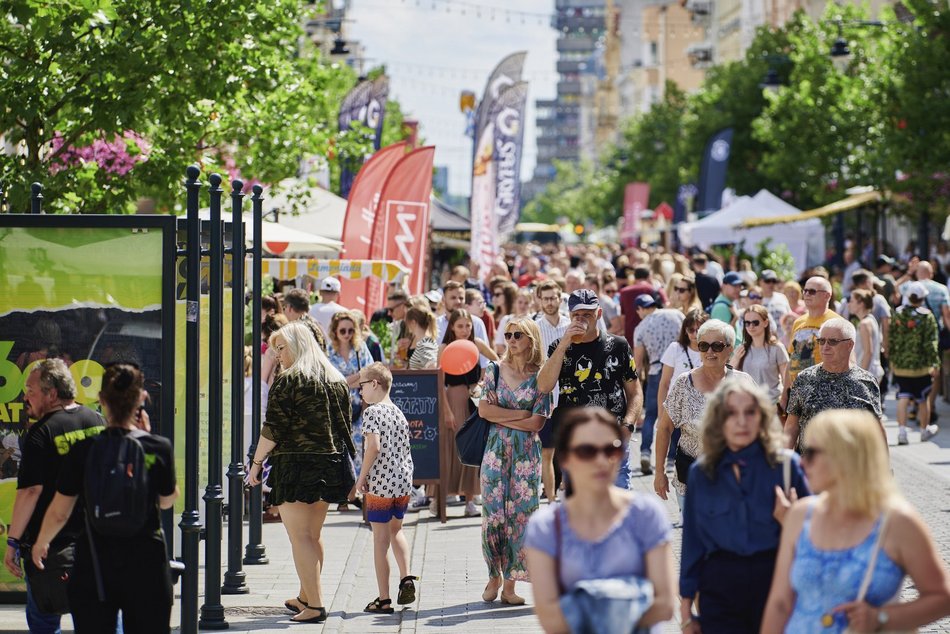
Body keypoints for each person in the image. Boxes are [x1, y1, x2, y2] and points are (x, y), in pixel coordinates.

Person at [761, 409, 950, 632]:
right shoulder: (800, 515)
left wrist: (881, 618)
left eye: (811, 453)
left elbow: (942, 597)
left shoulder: (898, 522)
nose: (802, 463)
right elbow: (780, 604)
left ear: (845, 456)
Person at [30, 364, 178, 633]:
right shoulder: (157, 447)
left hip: (94, 564)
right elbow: (167, 500)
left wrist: (41, 542)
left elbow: (60, 511)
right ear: (141, 398)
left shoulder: (84, 450)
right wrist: (146, 436)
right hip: (146, 563)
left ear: (101, 400)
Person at [524, 408, 676, 633]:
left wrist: (581, 606)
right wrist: (628, 602)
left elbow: (665, 604)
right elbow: (549, 616)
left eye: (611, 449)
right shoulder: (545, 527)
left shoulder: (646, 514)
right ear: (565, 459)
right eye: (587, 451)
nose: (601, 460)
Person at [680, 380, 811, 634]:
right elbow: (692, 542)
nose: (741, 421)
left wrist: (791, 522)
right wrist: (686, 608)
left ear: (761, 416)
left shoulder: (786, 467)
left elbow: (818, 537)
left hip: (777, 586)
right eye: (731, 413)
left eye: (750, 412)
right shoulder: (703, 472)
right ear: (719, 420)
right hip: (719, 591)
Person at [247, 321, 355, 623]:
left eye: (281, 348)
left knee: (300, 537)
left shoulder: (290, 380)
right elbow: (344, 425)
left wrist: (256, 464)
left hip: (295, 464)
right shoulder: (335, 378)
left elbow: (274, 428)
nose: (277, 355)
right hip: (329, 463)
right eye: (274, 349)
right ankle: (306, 595)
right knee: (313, 534)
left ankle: (316, 604)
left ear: (298, 344)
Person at [5, 360, 105, 634]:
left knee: (44, 620)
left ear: (51, 394)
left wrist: (13, 542)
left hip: (50, 549)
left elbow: (30, 492)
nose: (26, 396)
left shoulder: (41, 433)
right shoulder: (96, 420)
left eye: (31, 390)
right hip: (96, 545)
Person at [478, 317, 551, 605]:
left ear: (531, 339)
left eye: (517, 334)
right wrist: (520, 416)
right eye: (508, 334)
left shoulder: (540, 376)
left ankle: (510, 585)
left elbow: (537, 423)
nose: (511, 339)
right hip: (495, 453)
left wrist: (505, 416)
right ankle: (493, 575)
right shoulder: (494, 369)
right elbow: (484, 410)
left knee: (521, 519)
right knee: (493, 517)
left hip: (526, 457)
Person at [538, 289, 643, 490]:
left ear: (599, 314)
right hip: (575, 439)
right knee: (581, 507)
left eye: (587, 314)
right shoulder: (558, 348)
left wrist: (628, 425)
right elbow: (543, 386)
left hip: (612, 437)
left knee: (618, 502)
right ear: (569, 315)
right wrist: (563, 345)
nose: (581, 319)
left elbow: (635, 390)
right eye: (576, 315)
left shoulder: (618, 346)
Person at [654, 320, 755, 507]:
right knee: (695, 536)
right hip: (692, 479)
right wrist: (659, 472)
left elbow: (761, 429)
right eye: (703, 346)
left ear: (730, 349)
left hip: (735, 480)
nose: (710, 352)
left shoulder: (744, 383)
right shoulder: (684, 383)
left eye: (717, 346)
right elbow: (664, 428)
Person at [354, 363, 418, 614]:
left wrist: (362, 477)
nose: (359, 392)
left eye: (361, 386)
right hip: (402, 481)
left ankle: (384, 598)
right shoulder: (398, 412)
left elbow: (374, 447)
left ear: (374, 384)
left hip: (380, 482)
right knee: (396, 530)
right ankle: (406, 577)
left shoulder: (372, 412)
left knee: (380, 539)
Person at [784, 318, 884, 452]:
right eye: (821, 341)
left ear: (849, 345)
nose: (825, 347)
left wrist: (884, 469)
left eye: (832, 342)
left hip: (852, 467)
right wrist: (782, 463)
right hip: (811, 467)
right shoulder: (804, 379)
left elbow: (876, 430)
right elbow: (791, 426)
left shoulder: (867, 382)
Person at [438, 309, 498, 517]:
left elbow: (497, 360)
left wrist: (484, 380)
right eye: (460, 326)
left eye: (468, 325)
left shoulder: (478, 343)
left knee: (472, 445)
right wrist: (446, 410)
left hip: (475, 396)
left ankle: (470, 500)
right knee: (452, 446)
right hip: (453, 398)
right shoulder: (445, 347)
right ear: (452, 327)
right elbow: (439, 381)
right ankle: (441, 497)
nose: (465, 330)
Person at [325, 310, 374, 511]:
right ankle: (346, 495)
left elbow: (370, 373)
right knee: (341, 453)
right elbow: (330, 382)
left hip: (359, 408)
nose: (346, 334)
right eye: (342, 330)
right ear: (335, 332)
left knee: (359, 451)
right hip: (338, 410)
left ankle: (353, 493)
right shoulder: (329, 352)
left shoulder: (360, 349)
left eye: (350, 330)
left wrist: (347, 381)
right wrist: (353, 379)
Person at [633, 294, 685, 475]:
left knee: (651, 415)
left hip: (656, 372)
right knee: (676, 416)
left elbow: (637, 363)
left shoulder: (641, 327)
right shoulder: (676, 315)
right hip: (679, 370)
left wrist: (635, 386)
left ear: (640, 309)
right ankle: (672, 459)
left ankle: (645, 452)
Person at [533, 279, 571, 501]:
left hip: (569, 396)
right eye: (545, 298)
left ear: (559, 298)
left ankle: (569, 497)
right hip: (546, 398)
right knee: (547, 451)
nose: (549, 302)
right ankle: (550, 500)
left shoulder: (570, 325)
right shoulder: (535, 327)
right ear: (539, 300)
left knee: (569, 449)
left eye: (552, 298)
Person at [889, 281, 941, 444]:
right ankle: (924, 430)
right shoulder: (927, 316)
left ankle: (902, 432)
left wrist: (892, 360)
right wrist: (935, 363)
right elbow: (931, 342)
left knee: (902, 397)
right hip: (921, 366)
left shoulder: (897, 314)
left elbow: (891, 338)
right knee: (922, 398)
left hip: (900, 365)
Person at [781, 276, 840, 411]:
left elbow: (846, 360)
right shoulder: (798, 322)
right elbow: (792, 358)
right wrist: (785, 392)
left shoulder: (836, 323)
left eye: (812, 291)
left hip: (823, 392)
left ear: (827, 296)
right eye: (805, 290)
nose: (806, 294)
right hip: (797, 392)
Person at [733, 304, 790, 405]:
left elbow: (786, 380)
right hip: (748, 406)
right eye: (747, 323)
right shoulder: (741, 349)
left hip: (772, 405)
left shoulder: (777, 348)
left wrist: (784, 401)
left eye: (755, 322)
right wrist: (736, 358)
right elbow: (729, 376)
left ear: (765, 322)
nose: (751, 326)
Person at [619, 266, 669, 344]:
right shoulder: (653, 289)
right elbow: (665, 306)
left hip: (630, 334)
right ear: (649, 276)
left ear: (635, 277)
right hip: (652, 334)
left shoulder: (624, 291)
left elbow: (623, 316)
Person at [848, 289, 886, 384]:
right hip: (873, 370)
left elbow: (868, 352)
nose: (849, 304)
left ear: (861, 304)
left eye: (852, 301)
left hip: (868, 372)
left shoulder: (864, 324)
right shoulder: (870, 319)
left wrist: (861, 375)